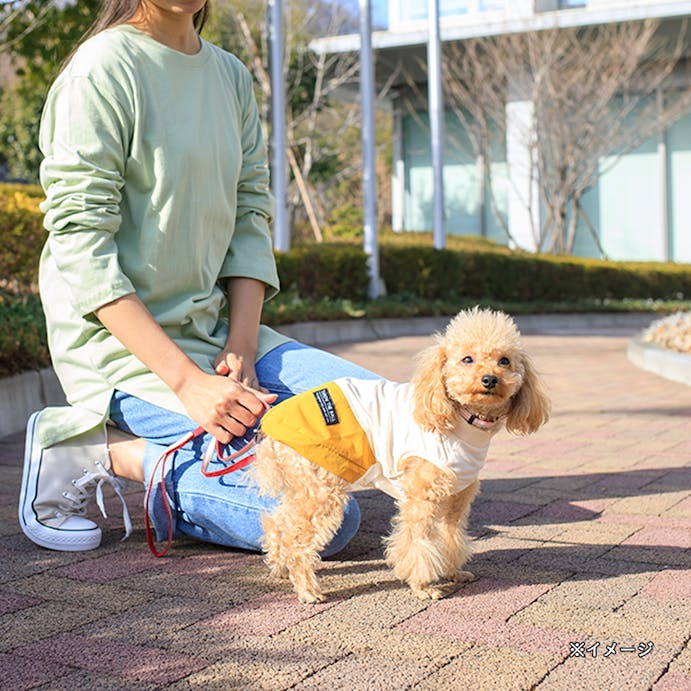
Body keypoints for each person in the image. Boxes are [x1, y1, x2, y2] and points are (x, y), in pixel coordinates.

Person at [18, 0, 376, 556]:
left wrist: (242, 343)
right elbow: (80, 244)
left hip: (211, 332)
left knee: (377, 415)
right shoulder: (102, 69)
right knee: (321, 520)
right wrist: (189, 384)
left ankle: (206, 445)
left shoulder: (229, 75)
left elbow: (249, 211)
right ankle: (98, 449)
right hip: (121, 352)